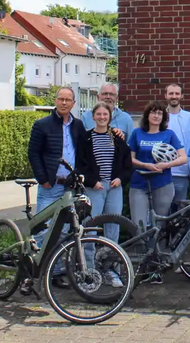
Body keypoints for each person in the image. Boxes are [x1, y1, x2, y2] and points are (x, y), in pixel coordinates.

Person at [27, 86, 86, 289]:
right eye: (60, 99)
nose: (64, 102)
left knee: (64, 231)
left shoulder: (78, 126)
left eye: (68, 99)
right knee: (43, 230)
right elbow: (33, 153)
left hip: (69, 187)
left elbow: (83, 152)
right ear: (56, 100)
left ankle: (57, 273)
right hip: (50, 186)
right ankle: (33, 274)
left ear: (73, 103)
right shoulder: (42, 124)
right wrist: (43, 178)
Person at [128, 100, 187, 284]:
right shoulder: (137, 133)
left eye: (159, 114)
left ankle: (156, 268)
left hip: (163, 184)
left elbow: (183, 157)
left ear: (163, 117)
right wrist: (145, 165)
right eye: (153, 113)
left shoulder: (169, 134)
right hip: (139, 184)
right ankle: (141, 266)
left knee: (159, 227)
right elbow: (130, 159)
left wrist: (166, 165)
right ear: (147, 116)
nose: (156, 116)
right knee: (139, 226)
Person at [77, 101, 133, 287]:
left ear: (110, 118)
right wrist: (93, 181)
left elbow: (127, 166)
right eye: (98, 114)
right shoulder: (85, 139)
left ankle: (112, 270)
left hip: (114, 188)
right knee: (90, 228)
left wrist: (121, 179)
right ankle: (90, 272)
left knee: (113, 229)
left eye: (105, 115)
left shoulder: (118, 138)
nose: (102, 117)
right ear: (93, 117)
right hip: (95, 188)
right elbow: (81, 165)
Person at [165, 83, 190, 204]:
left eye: (177, 93)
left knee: (180, 211)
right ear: (165, 96)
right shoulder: (158, 117)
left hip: (182, 173)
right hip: (161, 172)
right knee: (161, 209)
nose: (174, 96)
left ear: (182, 96)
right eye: (171, 93)